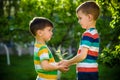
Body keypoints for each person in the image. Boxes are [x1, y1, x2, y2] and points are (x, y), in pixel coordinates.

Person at [60, 1, 100, 80]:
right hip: (92, 71)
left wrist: (68, 62)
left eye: (80, 18)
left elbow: (82, 56)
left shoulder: (88, 34)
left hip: (85, 72)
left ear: (89, 17)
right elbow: (84, 57)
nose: (78, 21)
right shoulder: (94, 33)